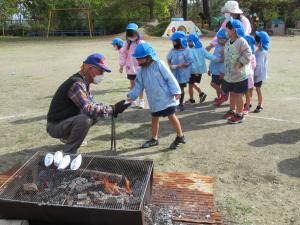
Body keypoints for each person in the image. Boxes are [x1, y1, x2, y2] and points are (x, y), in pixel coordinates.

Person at [46, 53, 129, 154]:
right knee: (85, 119)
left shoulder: (84, 83)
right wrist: (113, 109)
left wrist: (112, 108)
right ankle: (69, 153)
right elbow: (89, 108)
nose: (102, 74)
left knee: (97, 113)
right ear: (90, 68)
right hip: (55, 126)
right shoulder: (77, 84)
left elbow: (93, 105)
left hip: (64, 121)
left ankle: (68, 138)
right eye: (101, 71)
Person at [127, 42, 185, 150]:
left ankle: (180, 136)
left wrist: (176, 91)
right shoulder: (141, 71)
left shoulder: (159, 64)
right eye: (137, 58)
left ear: (148, 57)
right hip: (154, 100)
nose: (138, 61)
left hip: (166, 97)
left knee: (171, 116)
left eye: (140, 58)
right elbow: (138, 85)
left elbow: (170, 77)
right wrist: (132, 96)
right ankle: (154, 139)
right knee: (154, 118)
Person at [223, 19, 252, 124]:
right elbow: (227, 58)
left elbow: (248, 54)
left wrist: (240, 63)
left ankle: (239, 115)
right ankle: (232, 110)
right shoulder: (228, 42)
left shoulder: (241, 41)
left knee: (239, 94)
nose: (226, 31)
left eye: (228, 29)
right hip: (230, 75)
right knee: (232, 93)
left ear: (234, 30)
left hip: (240, 75)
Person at [185, 33, 220, 104]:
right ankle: (192, 98)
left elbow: (191, 61)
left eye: (189, 41)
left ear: (193, 41)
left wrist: (219, 60)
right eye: (188, 41)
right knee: (191, 84)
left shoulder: (189, 50)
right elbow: (209, 56)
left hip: (193, 71)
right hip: (199, 71)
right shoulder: (201, 49)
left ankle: (201, 94)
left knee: (191, 84)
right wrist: (218, 59)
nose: (188, 42)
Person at [119, 23, 145, 109]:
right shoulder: (126, 44)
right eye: (129, 35)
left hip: (140, 68)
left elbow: (147, 54)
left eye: (133, 34)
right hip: (130, 68)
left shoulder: (141, 43)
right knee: (132, 85)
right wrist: (121, 65)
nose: (131, 37)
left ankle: (141, 101)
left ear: (137, 33)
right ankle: (132, 101)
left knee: (140, 85)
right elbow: (122, 54)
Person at [167, 31, 193, 111]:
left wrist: (181, 65)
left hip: (182, 74)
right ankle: (174, 103)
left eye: (174, 41)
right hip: (174, 74)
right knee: (173, 88)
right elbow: (168, 59)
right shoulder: (172, 50)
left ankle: (180, 104)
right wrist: (171, 65)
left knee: (181, 88)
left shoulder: (187, 50)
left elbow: (189, 61)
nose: (173, 43)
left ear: (180, 41)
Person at [208, 28, 227, 106]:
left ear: (226, 39)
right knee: (217, 85)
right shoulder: (218, 46)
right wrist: (210, 69)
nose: (218, 40)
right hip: (215, 70)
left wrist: (222, 72)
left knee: (213, 84)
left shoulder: (225, 48)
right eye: (218, 39)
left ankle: (223, 95)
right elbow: (213, 57)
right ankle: (219, 97)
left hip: (220, 71)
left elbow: (224, 60)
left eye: (220, 39)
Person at [253, 31, 270, 113]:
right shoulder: (259, 50)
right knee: (252, 89)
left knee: (258, 89)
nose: (254, 41)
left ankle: (260, 105)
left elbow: (259, 65)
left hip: (258, 75)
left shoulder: (262, 52)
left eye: (256, 40)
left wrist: (255, 75)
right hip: (255, 74)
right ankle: (248, 103)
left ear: (260, 41)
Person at [243, 35, 256, 115]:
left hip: (248, 76)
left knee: (247, 92)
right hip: (245, 76)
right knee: (246, 93)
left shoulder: (251, 55)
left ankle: (247, 106)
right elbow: (254, 66)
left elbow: (253, 66)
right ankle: (247, 104)